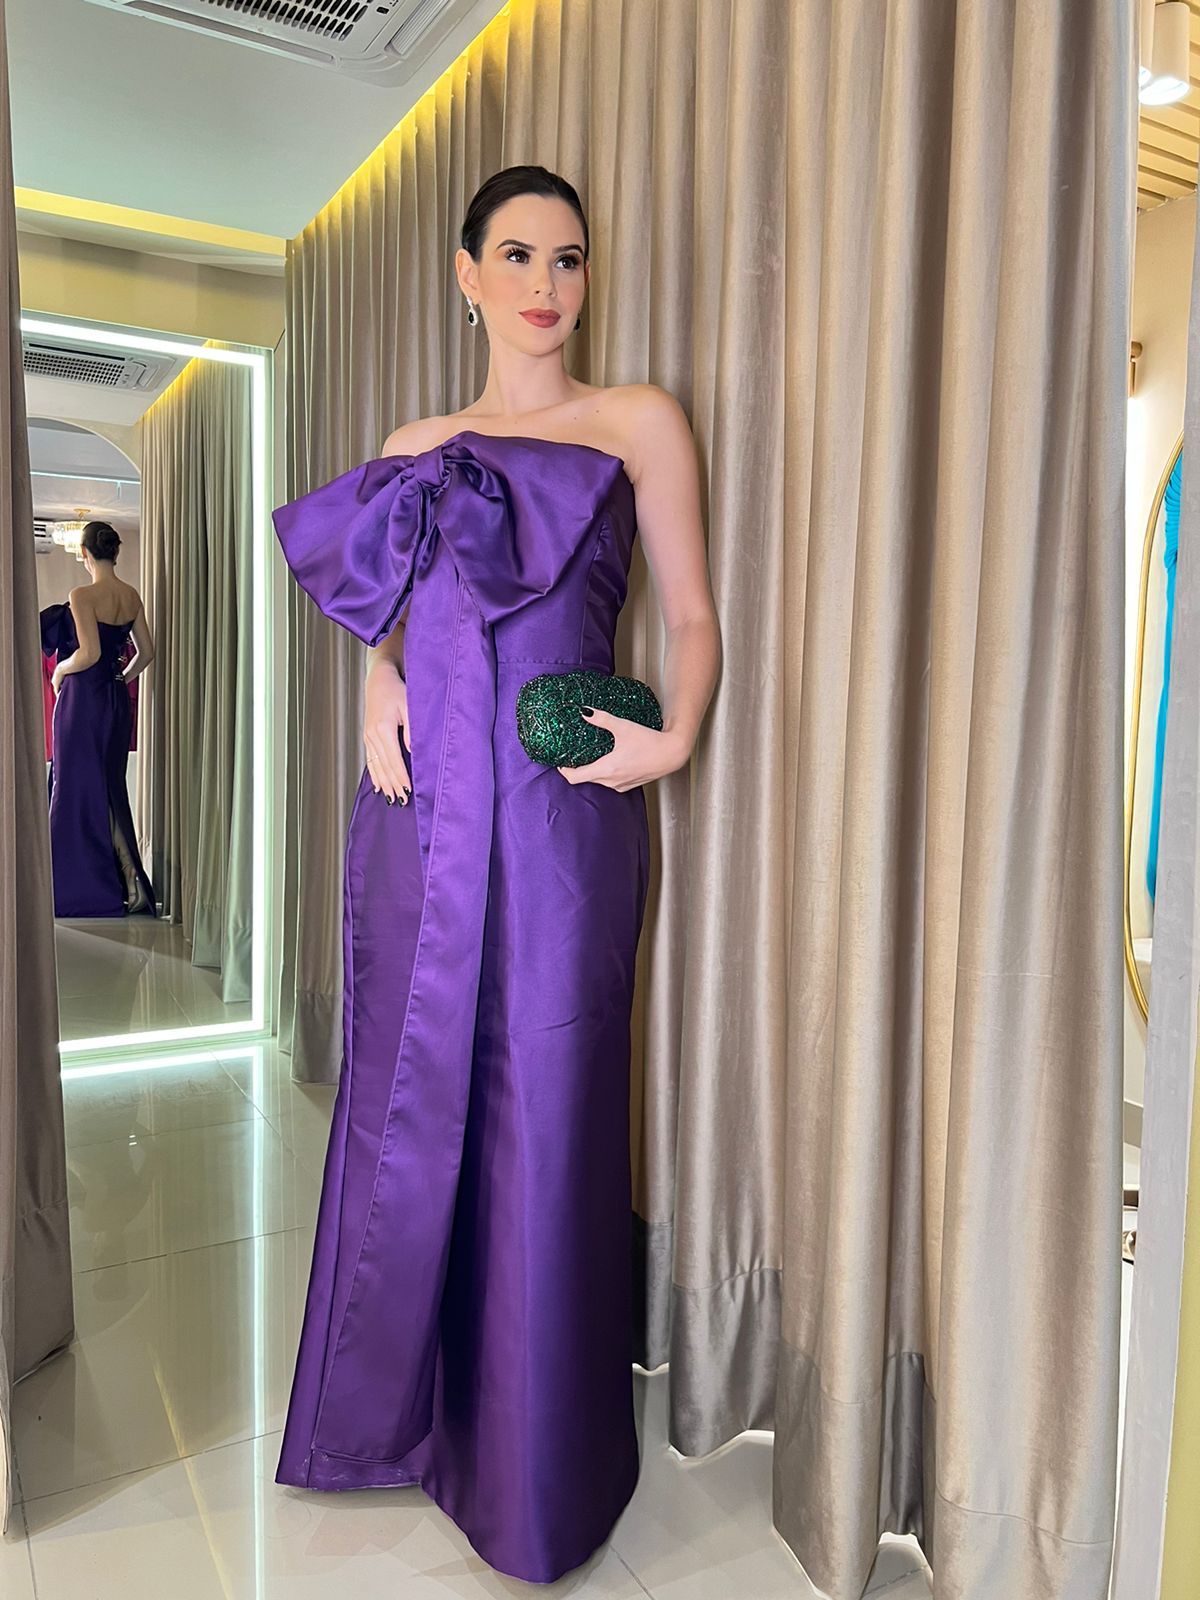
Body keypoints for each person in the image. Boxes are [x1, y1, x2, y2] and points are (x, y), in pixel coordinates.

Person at [271, 164, 720, 1584]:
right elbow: (389, 630)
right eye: (517, 255)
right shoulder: (418, 442)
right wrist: (373, 690)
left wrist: (674, 736)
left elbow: (691, 615)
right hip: (418, 816)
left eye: (568, 258)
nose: (546, 283)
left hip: (564, 817)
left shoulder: (637, 422)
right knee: (409, 1095)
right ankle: (392, 1418)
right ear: (466, 276)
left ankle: (535, 1469)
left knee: (549, 1101)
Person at [47, 519, 158, 918]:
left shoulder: (82, 594)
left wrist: (60, 672)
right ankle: (129, 879)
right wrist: (121, 677)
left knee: (73, 787)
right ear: (115, 551)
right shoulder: (130, 595)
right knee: (110, 786)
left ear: (84, 553)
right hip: (114, 698)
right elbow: (147, 653)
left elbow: (88, 653)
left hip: (83, 699)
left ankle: (78, 889)